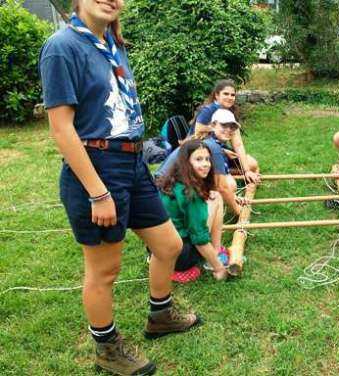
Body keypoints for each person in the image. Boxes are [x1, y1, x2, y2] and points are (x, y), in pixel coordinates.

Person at [39, 1, 200, 374]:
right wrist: (98, 192)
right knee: (105, 270)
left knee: (169, 245)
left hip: (133, 161)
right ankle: (106, 349)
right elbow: (62, 130)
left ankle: (160, 316)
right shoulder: (62, 47)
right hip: (97, 166)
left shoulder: (114, 44)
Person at [157, 140, 228, 282]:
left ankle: (215, 249)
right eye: (198, 159)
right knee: (216, 198)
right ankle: (215, 251)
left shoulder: (170, 181)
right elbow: (199, 238)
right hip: (180, 256)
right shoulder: (190, 193)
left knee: (214, 196)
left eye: (207, 159)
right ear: (186, 162)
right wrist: (219, 268)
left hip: (157, 249)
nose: (206, 164)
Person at [189, 80, 260, 186]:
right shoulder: (208, 110)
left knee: (252, 165)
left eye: (233, 95)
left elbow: (238, 144)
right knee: (248, 170)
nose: (230, 97)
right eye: (226, 94)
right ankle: (222, 173)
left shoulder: (230, 113)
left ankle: (247, 184)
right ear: (216, 95)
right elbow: (198, 133)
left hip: (219, 149)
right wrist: (223, 150)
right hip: (202, 150)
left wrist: (247, 170)